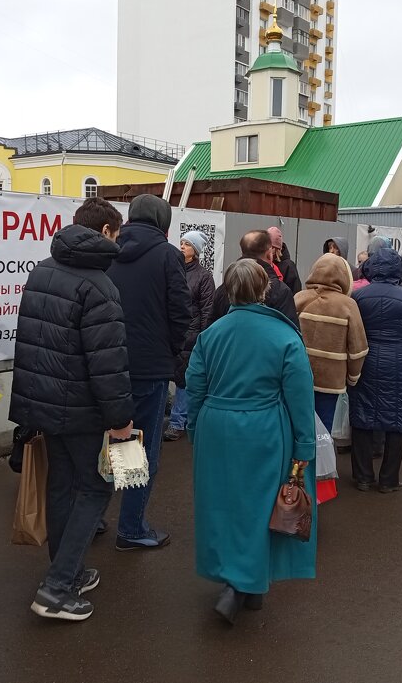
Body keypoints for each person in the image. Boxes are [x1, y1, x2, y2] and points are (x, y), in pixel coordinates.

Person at [9, 197, 135, 620]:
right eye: (116, 233)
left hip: (43, 405)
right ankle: (58, 587)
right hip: (83, 410)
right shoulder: (100, 286)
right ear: (104, 232)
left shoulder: (43, 270)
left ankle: (67, 571)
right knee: (97, 488)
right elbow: (108, 362)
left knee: (62, 486)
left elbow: (30, 343)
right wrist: (120, 420)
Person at [186, 259, 316, 625]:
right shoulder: (285, 336)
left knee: (221, 505)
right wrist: (304, 447)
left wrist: (196, 430)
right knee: (259, 507)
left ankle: (240, 582)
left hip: (215, 426)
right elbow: (300, 397)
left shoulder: (210, 335)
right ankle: (244, 586)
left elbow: (195, 387)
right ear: (264, 290)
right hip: (263, 431)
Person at [106, 194, 191, 551]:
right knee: (142, 447)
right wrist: (169, 354)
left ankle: (94, 517)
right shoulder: (168, 255)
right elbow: (180, 313)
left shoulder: (108, 250)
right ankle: (130, 527)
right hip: (149, 366)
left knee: (113, 439)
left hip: (108, 363)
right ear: (163, 220)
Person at [350, 248, 402, 491]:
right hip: (398, 366)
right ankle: (389, 479)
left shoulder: (358, 297)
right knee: (396, 419)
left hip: (365, 362)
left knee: (362, 417)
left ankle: (363, 477)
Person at [293, 254, 368, 433]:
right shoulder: (348, 305)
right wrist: (353, 377)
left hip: (298, 376)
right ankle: (320, 460)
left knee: (298, 425)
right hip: (331, 380)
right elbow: (358, 348)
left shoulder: (299, 298)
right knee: (323, 430)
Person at [165, 230, 215, 442]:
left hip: (191, 336)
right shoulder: (172, 270)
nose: (182, 246)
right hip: (170, 333)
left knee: (184, 381)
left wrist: (202, 338)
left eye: (187, 244)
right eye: (182, 242)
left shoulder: (204, 277)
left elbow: (207, 309)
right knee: (169, 377)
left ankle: (178, 422)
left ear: (195, 250)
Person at [210, 230, 299, 326]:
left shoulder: (224, 288)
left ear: (242, 252)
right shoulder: (280, 291)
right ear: (269, 253)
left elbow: (210, 328)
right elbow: (291, 331)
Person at [267, 227, 302, 294]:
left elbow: (295, 290)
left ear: (275, 248)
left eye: (270, 247)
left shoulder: (288, 266)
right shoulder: (264, 261)